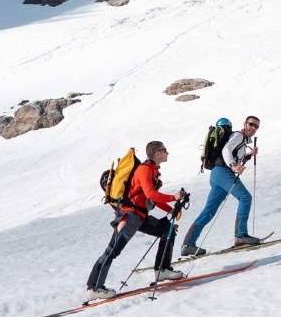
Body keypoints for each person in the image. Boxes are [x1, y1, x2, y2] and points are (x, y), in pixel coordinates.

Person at [86, 141, 188, 300]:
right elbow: (150, 194)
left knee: (166, 230)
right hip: (130, 216)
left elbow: (152, 198)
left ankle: (162, 270)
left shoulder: (152, 171)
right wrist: (173, 197)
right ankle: (94, 287)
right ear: (157, 153)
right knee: (113, 250)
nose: (167, 153)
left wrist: (171, 209)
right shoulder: (144, 170)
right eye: (165, 150)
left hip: (140, 216)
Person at [183, 115, 261, 254]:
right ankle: (241, 235)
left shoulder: (242, 141)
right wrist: (232, 166)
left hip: (218, 174)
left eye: (256, 126)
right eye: (251, 124)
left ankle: (188, 244)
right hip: (223, 172)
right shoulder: (238, 135)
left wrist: (248, 155)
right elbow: (226, 150)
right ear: (245, 124)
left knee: (209, 211)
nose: (253, 128)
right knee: (245, 198)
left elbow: (234, 154)